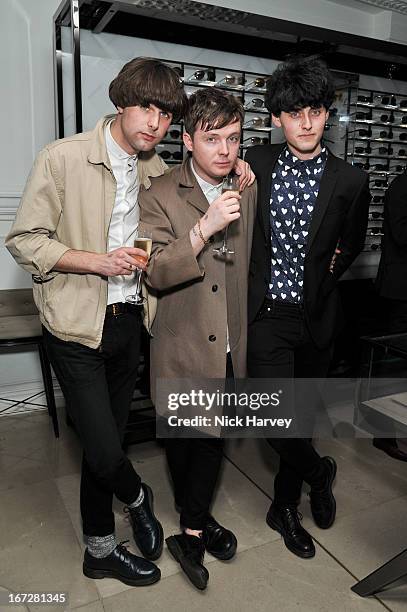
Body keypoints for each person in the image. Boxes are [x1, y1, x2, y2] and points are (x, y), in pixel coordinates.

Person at [5, 57, 189, 587]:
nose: (155, 123)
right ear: (120, 102)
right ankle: (137, 495)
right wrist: (96, 260)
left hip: (129, 320)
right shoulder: (63, 159)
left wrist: (242, 167)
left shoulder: (157, 170)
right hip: (73, 322)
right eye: (146, 108)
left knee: (104, 443)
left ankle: (100, 549)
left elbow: (204, 176)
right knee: (106, 447)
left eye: (166, 115)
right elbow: (25, 240)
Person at [246, 55, 370, 559]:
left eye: (315, 111)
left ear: (327, 115)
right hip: (265, 316)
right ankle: (321, 474)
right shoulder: (253, 163)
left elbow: (353, 242)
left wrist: (323, 279)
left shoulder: (351, 180)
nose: (305, 122)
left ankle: (284, 508)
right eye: (294, 112)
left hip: (316, 317)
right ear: (277, 116)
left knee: (299, 421)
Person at [139, 88, 257, 590]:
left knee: (212, 439)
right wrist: (202, 229)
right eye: (212, 140)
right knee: (183, 439)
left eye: (233, 139)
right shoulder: (160, 193)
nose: (225, 151)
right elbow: (154, 273)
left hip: (229, 343)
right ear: (187, 140)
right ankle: (196, 517)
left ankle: (192, 526)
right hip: (182, 343)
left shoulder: (246, 185)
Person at [374, 172, 407, 461]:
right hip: (399, 291)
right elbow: (401, 233)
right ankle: (383, 432)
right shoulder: (401, 185)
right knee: (392, 365)